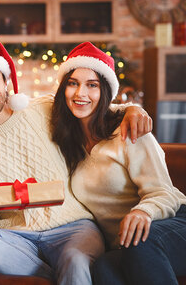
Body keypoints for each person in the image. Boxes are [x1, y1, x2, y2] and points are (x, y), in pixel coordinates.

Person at [0, 36, 152, 285]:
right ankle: (54, 277)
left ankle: (65, 272)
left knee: (76, 260)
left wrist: (132, 108)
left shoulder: (44, 108)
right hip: (14, 238)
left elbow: (91, 106)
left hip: (73, 227)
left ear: (7, 84)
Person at [51, 41, 186, 285]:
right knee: (103, 268)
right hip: (125, 244)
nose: (81, 93)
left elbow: (165, 193)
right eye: (73, 83)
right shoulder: (67, 140)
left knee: (140, 240)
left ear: (105, 92)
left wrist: (143, 211)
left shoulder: (129, 132)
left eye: (92, 85)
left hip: (172, 223)